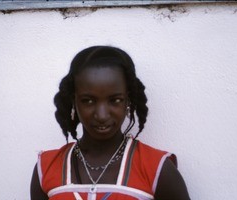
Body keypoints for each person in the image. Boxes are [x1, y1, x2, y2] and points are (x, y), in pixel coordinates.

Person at [30, 46, 190, 200]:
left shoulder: (157, 168)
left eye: (115, 100)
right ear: (74, 101)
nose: (101, 115)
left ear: (128, 101)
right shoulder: (45, 167)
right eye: (88, 101)